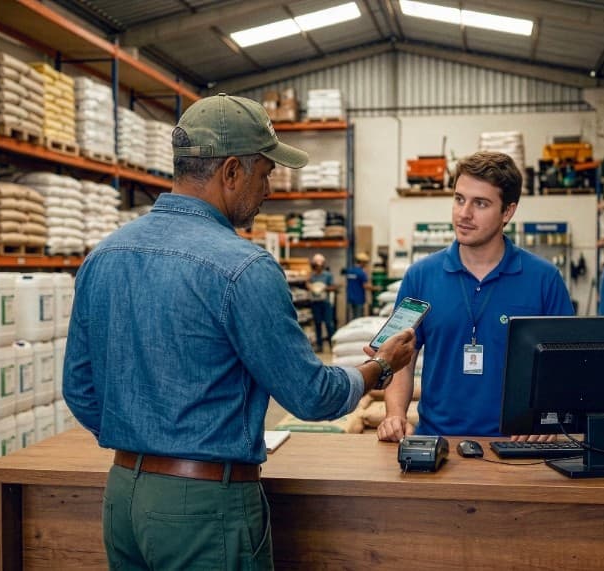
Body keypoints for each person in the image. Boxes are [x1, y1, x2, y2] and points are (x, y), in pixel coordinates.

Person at [62, 93, 416, 571]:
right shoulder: (242, 267)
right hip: (204, 508)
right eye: (264, 173)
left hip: (123, 497)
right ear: (231, 172)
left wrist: (145, 438)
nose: (268, 188)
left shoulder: (103, 256)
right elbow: (312, 396)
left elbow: (81, 389)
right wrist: (381, 365)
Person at [376, 151, 574, 443]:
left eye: (480, 203)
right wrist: (395, 413)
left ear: (507, 212)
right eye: (459, 199)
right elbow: (400, 358)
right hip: (436, 442)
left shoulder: (544, 279)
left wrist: (547, 416)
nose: (464, 214)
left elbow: (565, 365)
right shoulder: (420, 276)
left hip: (515, 444)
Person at [307, 253, 337, 351]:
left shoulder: (327, 275)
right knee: (318, 324)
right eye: (316, 266)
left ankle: (332, 345)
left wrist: (325, 288)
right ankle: (319, 346)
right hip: (315, 302)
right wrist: (310, 286)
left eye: (320, 266)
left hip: (325, 303)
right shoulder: (312, 276)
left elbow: (333, 287)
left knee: (329, 324)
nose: (318, 268)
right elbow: (307, 284)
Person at [344, 252, 373, 319]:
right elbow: (365, 286)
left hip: (350, 298)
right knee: (358, 318)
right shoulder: (361, 273)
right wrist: (376, 288)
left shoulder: (350, 271)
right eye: (365, 263)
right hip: (359, 299)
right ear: (362, 262)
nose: (366, 264)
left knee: (351, 318)